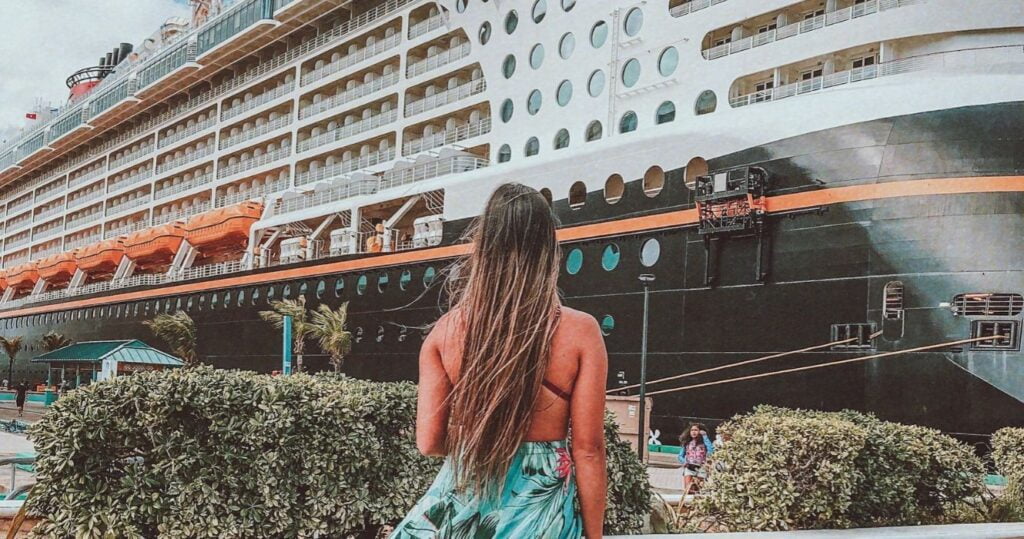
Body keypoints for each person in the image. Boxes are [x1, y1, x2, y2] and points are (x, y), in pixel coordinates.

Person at [391, 183, 608, 538]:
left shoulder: (445, 333)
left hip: (464, 504)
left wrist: (484, 438)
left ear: (483, 247)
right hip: (542, 515)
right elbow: (588, 450)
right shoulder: (581, 331)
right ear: (548, 248)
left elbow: (429, 442)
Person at [678, 423, 715, 495]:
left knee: (699, 490)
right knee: (688, 490)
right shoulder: (687, 443)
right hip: (689, 468)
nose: (693, 432)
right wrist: (684, 462)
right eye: (692, 430)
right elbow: (680, 456)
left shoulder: (704, 442)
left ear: (700, 431)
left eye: (696, 430)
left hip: (701, 468)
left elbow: (711, 451)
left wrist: (705, 436)